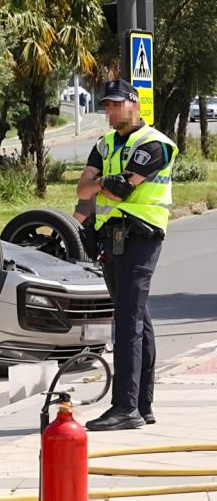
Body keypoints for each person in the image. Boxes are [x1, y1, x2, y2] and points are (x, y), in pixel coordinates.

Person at [73, 79, 179, 432]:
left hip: (143, 234)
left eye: (117, 104)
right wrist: (96, 195)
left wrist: (102, 183)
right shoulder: (104, 144)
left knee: (127, 320)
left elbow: (118, 191)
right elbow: (83, 189)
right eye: (107, 105)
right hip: (112, 238)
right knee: (138, 319)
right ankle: (142, 405)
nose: (111, 110)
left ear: (134, 104)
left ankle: (124, 407)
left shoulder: (156, 144)